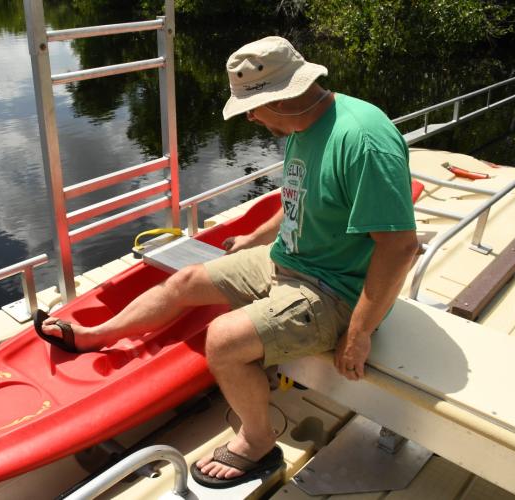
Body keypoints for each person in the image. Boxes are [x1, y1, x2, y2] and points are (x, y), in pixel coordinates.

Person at [36, 36, 419, 488]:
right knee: (187, 280)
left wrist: (358, 334)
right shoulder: (303, 126)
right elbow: (300, 197)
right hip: (290, 262)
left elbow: (399, 248)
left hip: (336, 290)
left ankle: (258, 444)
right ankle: (94, 336)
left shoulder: (361, 140)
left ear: (285, 94)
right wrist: (253, 239)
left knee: (222, 341)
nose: (252, 118)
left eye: (254, 107)